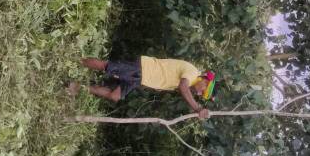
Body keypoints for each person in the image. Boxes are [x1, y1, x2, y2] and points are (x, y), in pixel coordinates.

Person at [67, 56, 216, 118]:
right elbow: (183, 87)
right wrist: (197, 108)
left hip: (142, 78)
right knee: (106, 66)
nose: (199, 92)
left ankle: (77, 87)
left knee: (115, 95)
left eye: (201, 95)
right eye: (203, 90)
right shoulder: (192, 73)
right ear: (204, 80)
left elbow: (184, 88)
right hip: (143, 69)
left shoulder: (191, 80)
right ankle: (73, 60)